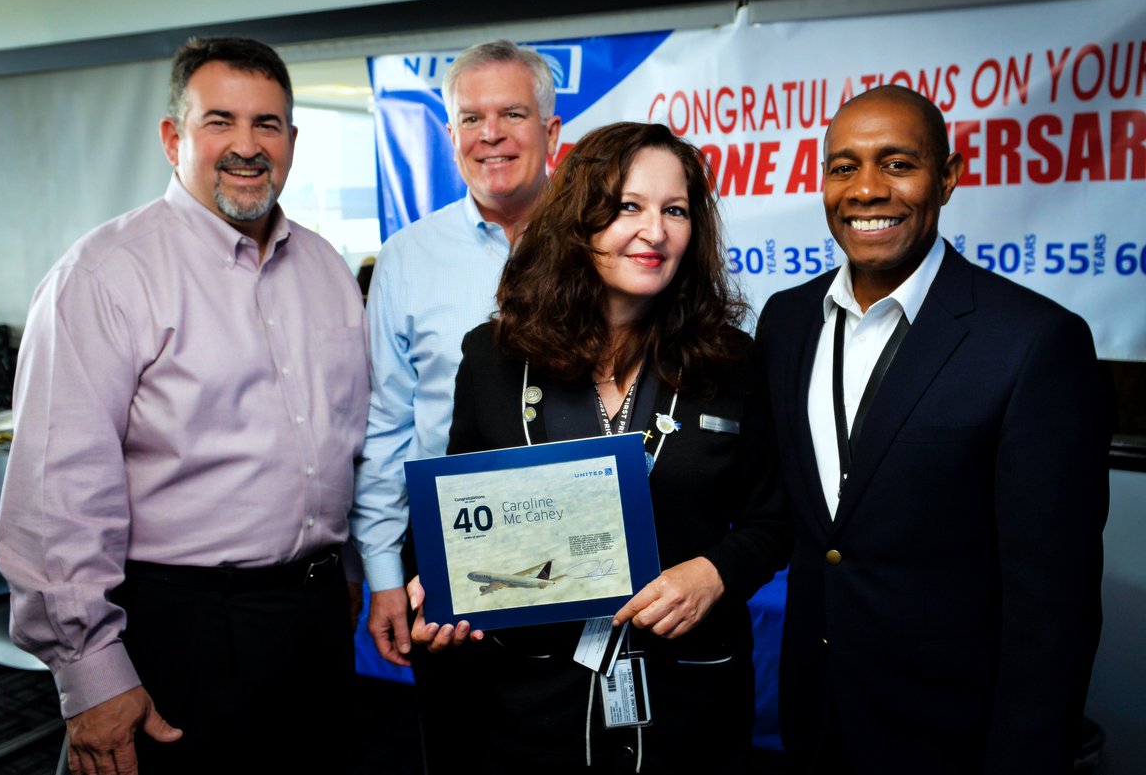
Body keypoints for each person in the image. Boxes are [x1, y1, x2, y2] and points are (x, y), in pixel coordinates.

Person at [0, 36, 369, 775]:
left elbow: (344, 447)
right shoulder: (103, 277)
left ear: (292, 140)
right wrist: (90, 676)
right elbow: (58, 493)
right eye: (219, 121)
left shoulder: (327, 269)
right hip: (179, 624)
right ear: (173, 137)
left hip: (315, 618)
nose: (246, 146)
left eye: (267, 125)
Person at [409, 122, 791, 772]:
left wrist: (715, 570)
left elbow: (773, 519)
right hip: (529, 706)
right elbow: (457, 510)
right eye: (627, 207)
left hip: (686, 700)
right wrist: (437, 586)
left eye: (675, 210)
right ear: (580, 218)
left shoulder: (732, 361)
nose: (655, 231)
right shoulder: (495, 356)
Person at [755, 85, 1109, 774]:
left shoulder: (1033, 343)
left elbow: (1054, 610)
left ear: (947, 177)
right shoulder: (786, 321)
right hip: (812, 722)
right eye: (843, 166)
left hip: (952, 740)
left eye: (897, 163)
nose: (866, 189)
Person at [349, 40, 560, 766]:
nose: (491, 134)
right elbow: (387, 424)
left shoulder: (603, 241)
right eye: (472, 117)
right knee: (461, 748)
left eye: (512, 114)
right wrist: (381, 570)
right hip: (445, 544)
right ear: (449, 136)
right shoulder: (407, 256)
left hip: (575, 535)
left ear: (552, 131)